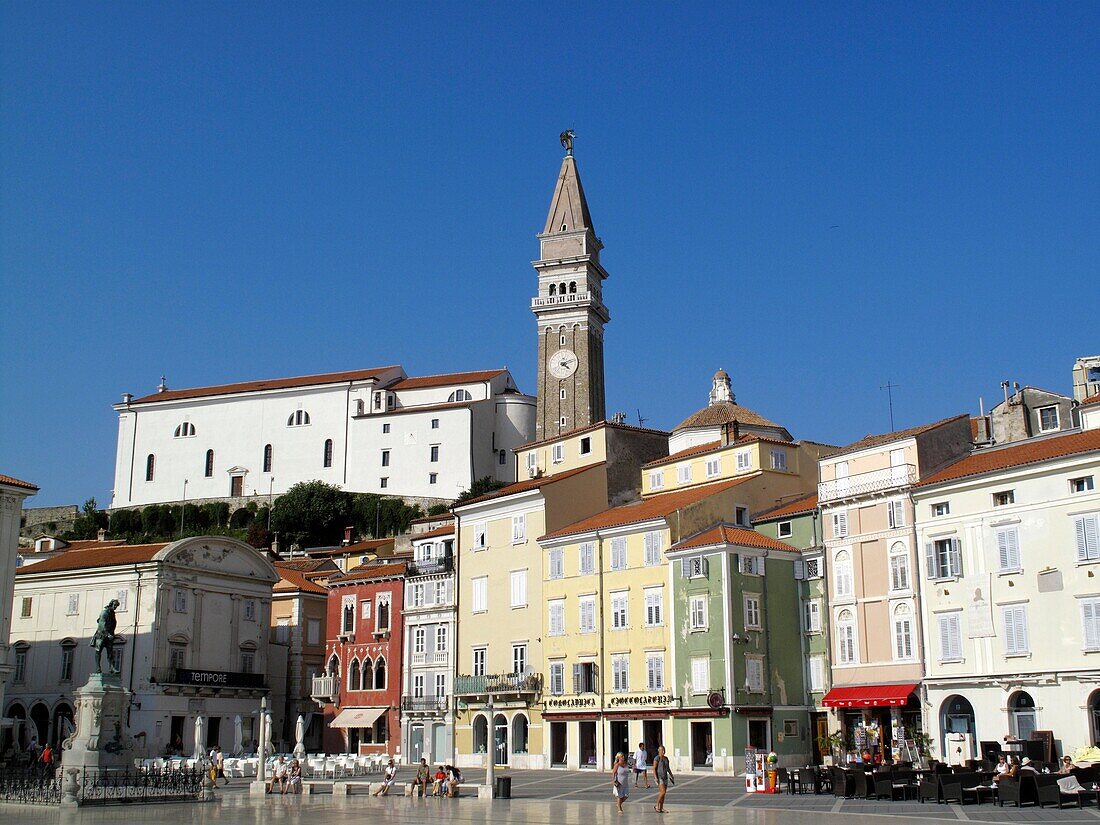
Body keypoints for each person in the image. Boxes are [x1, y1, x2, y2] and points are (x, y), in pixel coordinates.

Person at [653, 745, 674, 814]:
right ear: (659, 751)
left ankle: (661, 808)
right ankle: (657, 805)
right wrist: (655, 777)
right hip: (659, 777)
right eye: (662, 750)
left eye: (664, 750)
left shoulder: (666, 758)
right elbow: (654, 768)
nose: (663, 751)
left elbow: (668, 768)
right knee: (662, 792)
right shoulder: (657, 758)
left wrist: (671, 775)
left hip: (665, 777)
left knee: (664, 794)